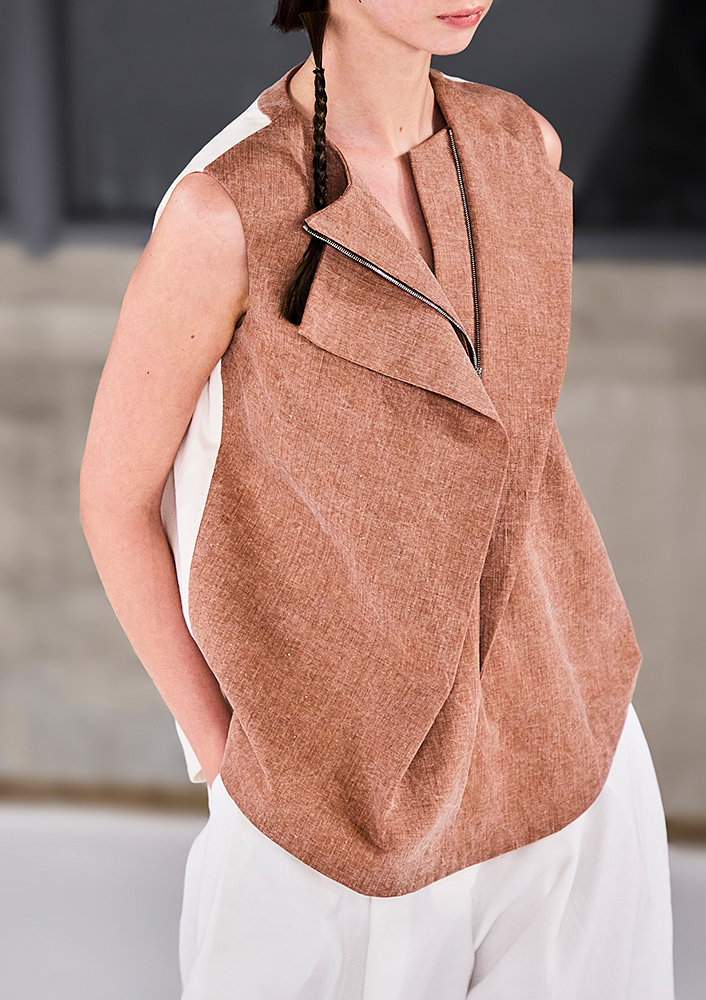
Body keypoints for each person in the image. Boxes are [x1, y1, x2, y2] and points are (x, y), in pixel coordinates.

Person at [80, 1, 675, 997]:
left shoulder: (520, 147)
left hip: (568, 746)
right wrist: (225, 752)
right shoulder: (223, 214)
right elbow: (115, 498)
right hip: (330, 803)